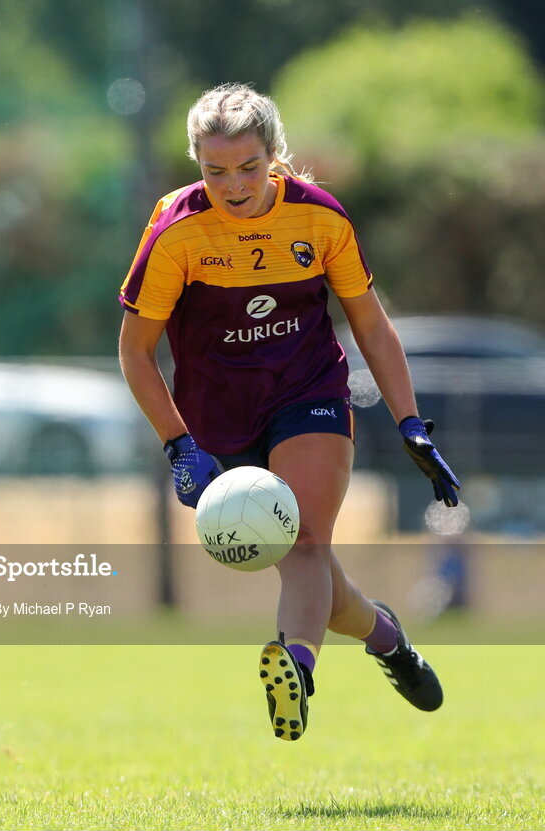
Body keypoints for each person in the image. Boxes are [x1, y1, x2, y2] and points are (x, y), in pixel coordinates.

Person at [117, 83, 460, 742]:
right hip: (215, 417)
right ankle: (389, 640)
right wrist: (177, 446)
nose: (234, 184)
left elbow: (371, 325)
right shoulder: (175, 231)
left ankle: (295, 670)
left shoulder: (321, 218)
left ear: (274, 157)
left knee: (304, 540)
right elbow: (135, 352)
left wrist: (410, 421)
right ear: (197, 165)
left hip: (309, 392)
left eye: (248, 167)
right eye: (215, 170)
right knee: (313, 573)